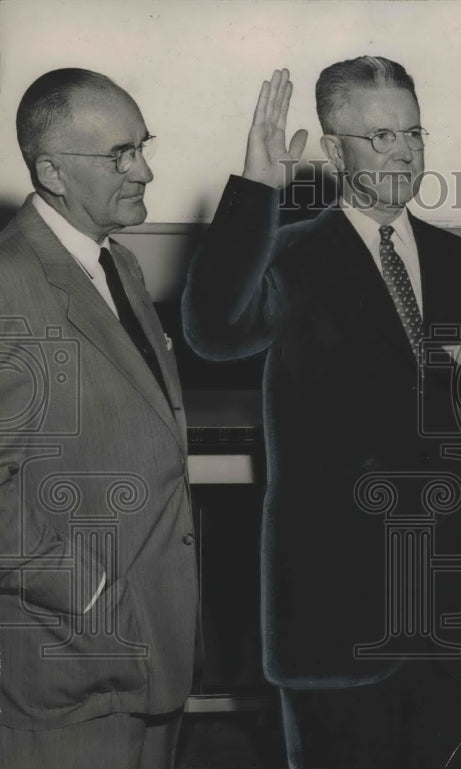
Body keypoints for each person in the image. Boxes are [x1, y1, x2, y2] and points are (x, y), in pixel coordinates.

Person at [182, 63, 461, 769]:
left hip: (441, 611)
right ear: (335, 152)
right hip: (331, 617)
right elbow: (213, 330)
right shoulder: (290, 256)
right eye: (381, 134)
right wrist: (256, 192)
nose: (404, 151)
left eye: (413, 132)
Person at [0, 69, 197, 769]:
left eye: (141, 146)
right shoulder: (10, 283)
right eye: (120, 154)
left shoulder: (117, 267)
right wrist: (85, 591)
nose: (145, 168)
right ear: (51, 171)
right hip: (67, 669)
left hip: (147, 660)